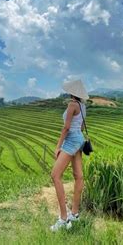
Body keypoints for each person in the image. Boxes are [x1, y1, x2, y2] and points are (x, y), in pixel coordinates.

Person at [49, 79, 89, 232]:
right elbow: (81, 126)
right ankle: (75, 214)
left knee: (55, 175)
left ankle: (64, 219)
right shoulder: (83, 106)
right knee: (78, 176)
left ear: (72, 91)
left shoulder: (72, 105)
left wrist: (58, 146)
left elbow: (66, 128)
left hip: (71, 141)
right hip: (79, 140)